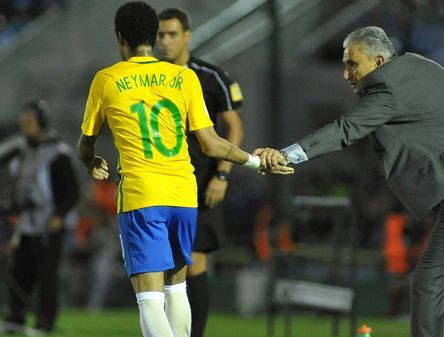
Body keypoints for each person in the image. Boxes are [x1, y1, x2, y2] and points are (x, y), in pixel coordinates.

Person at [256, 26, 444, 337]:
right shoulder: (420, 65)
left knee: (428, 282)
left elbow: (345, 130)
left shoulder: (386, 88)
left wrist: (286, 155)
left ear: (379, 60)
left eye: (352, 64)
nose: (346, 75)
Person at [75, 2, 291, 337]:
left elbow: (85, 143)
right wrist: (253, 161)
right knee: (177, 288)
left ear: (121, 39)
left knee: (149, 298)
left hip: (142, 197)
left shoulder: (106, 79)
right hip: (184, 195)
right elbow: (212, 142)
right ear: (153, 37)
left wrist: (90, 161)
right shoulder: (183, 77)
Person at [157, 8, 244, 336]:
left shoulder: (210, 76)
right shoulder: (151, 77)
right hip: (162, 179)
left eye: (172, 34)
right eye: (161, 35)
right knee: (165, 264)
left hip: (201, 180)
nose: (165, 41)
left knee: (194, 260)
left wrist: (222, 175)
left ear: (187, 36)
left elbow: (234, 128)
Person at [4, 100, 80, 333]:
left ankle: (45, 322)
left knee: (47, 276)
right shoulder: (22, 152)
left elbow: (72, 192)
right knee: (19, 271)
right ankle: (16, 318)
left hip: (50, 225)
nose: (25, 127)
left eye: (29, 123)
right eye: (23, 123)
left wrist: (59, 215)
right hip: (26, 224)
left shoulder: (58, 154)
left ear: (42, 123)